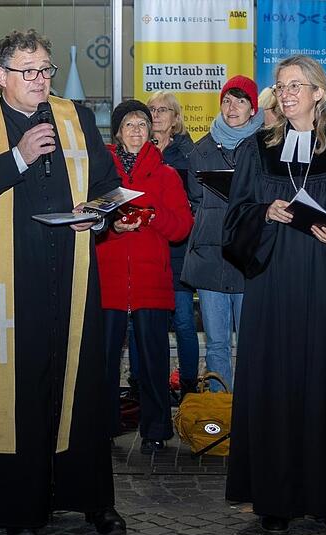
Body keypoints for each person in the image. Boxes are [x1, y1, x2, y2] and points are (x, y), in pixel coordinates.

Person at [0, 29, 123, 534]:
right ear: (1, 76)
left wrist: (98, 215)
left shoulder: (75, 117)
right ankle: (16, 503)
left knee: (78, 385)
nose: (41, 79)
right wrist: (18, 156)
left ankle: (88, 496)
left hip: (70, 275)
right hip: (5, 285)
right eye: (30, 71)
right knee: (13, 390)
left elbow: (107, 184)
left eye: (46, 69)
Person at [223, 55, 326, 533]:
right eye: (281, 85)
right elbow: (235, 221)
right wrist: (263, 214)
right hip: (274, 284)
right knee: (275, 386)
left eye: (297, 85)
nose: (287, 93)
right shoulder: (257, 149)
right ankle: (274, 500)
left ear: (319, 93)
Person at [99, 99, 191, 454]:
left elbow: (182, 227)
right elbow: (89, 221)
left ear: (150, 131)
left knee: (154, 359)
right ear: (118, 133)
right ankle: (103, 425)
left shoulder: (166, 174)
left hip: (151, 280)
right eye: (129, 125)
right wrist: (113, 227)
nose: (136, 130)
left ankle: (156, 429)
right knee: (104, 359)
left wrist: (152, 216)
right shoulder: (102, 174)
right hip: (109, 280)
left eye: (142, 124)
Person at [182, 75, 264, 393]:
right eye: (227, 100)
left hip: (249, 258)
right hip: (209, 257)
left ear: (252, 108)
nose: (232, 107)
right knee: (216, 344)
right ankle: (221, 410)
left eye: (240, 101)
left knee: (251, 342)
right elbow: (195, 200)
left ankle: (248, 411)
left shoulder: (265, 148)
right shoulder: (200, 150)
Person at [134, 90, 200, 399]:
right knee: (142, 323)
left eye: (163, 110)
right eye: (152, 110)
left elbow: (194, 203)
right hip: (145, 248)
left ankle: (188, 386)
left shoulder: (188, 155)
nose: (157, 115)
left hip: (177, 250)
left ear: (175, 119)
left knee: (184, 321)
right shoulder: (136, 151)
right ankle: (142, 385)